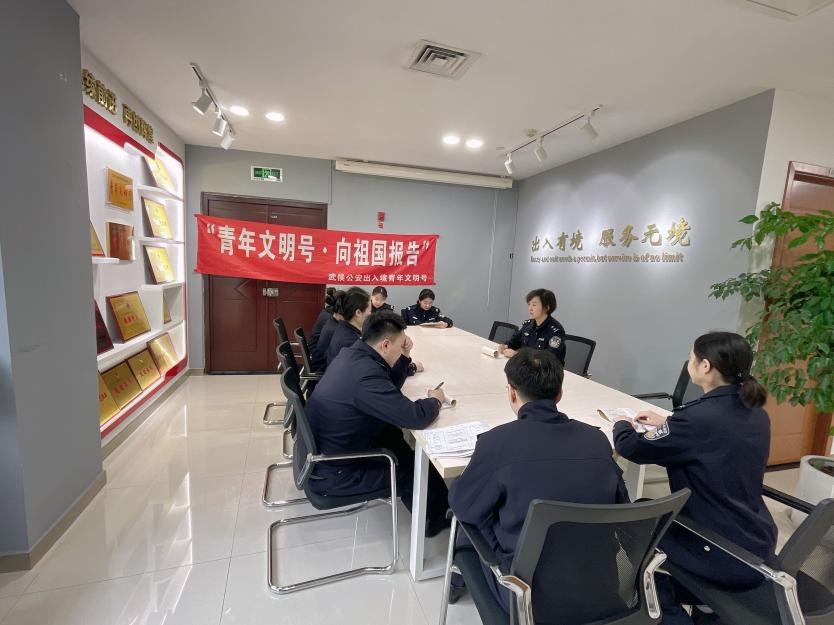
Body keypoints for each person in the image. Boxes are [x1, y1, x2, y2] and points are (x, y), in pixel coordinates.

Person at [448, 348, 629, 616]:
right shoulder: (597, 439)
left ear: (511, 393)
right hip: (602, 588)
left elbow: (464, 508)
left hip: (529, 599)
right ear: (559, 394)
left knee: (469, 513)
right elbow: (622, 505)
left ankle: (454, 585)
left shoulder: (496, 442)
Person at [613, 331, 776, 625]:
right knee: (646, 506)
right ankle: (705, 607)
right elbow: (714, 440)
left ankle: (667, 607)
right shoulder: (755, 411)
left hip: (716, 549)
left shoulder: (696, 419)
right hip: (756, 541)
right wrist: (670, 424)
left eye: (691, 358)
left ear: (705, 366)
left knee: (631, 523)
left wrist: (622, 424)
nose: (688, 362)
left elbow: (632, 448)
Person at [305, 311, 451, 536]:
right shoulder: (365, 376)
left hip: (329, 452)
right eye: (400, 345)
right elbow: (415, 417)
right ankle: (435, 520)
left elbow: (388, 386)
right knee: (417, 468)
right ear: (385, 345)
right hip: (336, 473)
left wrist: (404, 355)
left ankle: (429, 505)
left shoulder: (353, 354)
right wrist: (435, 400)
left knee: (395, 437)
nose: (403, 348)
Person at [498, 288, 566, 364]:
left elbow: (549, 359)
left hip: (544, 370)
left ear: (547, 307)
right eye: (529, 304)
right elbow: (514, 342)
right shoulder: (528, 325)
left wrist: (517, 355)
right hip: (525, 366)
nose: (530, 308)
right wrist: (505, 346)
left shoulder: (556, 331)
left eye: (534, 305)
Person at [326, 288, 372, 366]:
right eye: (370, 310)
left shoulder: (342, 330)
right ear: (358, 312)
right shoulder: (352, 343)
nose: (371, 313)